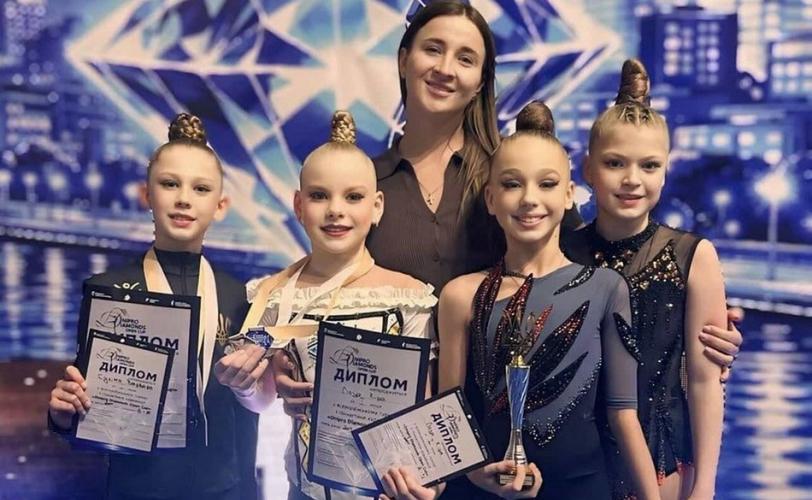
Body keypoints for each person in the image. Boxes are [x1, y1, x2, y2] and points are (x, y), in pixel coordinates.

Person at [425, 101, 660, 500]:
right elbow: (451, 414)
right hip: (487, 491)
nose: (529, 199)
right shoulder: (461, 295)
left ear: (569, 195)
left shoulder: (606, 287)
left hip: (582, 489)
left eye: (547, 184)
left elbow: (624, 415)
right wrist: (477, 473)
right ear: (490, 199)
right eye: (512, 184)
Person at [47, 113, 262, 499]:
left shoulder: (240, 297)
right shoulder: (107, 291)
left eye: (200, 188)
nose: (183, 198)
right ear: (146, 194)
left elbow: (250, 409)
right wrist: (63, 415)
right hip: (139, 488)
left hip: (225, 488)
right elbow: (88, 407)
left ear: (221, 205)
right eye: (169, 184)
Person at [239, 111, 437, 500]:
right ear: (298, 205)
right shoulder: (271, 294)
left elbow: (422, 407)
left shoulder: (409, 297)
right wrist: (244, 384)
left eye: (353, 197)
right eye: (319, 196)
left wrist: (427, 482)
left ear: (377, 206)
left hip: (386, 491)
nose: (335, 210)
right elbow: (260, 399)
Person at [564, 59, 726, 500]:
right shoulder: (563, 252)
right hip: (575, 464)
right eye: (615, 163)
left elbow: (704, 381)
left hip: (664, 462)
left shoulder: (693, 256)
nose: (632, 180)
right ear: (587, 168)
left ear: (666, 171)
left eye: (649, 166)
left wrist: (705, 486)